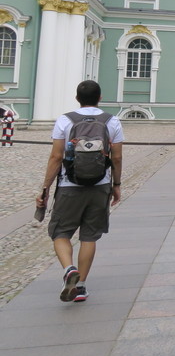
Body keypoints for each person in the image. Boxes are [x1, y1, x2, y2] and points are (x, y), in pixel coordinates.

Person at [36, 80, 123, 303]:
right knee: (89, 236)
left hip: (69, 186)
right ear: (100, 98)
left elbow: (56, 157)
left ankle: (69, 269)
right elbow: (117, 157)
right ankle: (81, 286)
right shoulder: (111, 121)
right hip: (100, 185)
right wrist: (116, 185)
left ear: (77, 98)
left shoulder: (65, 120)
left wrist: (45, 188)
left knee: (60, 233)